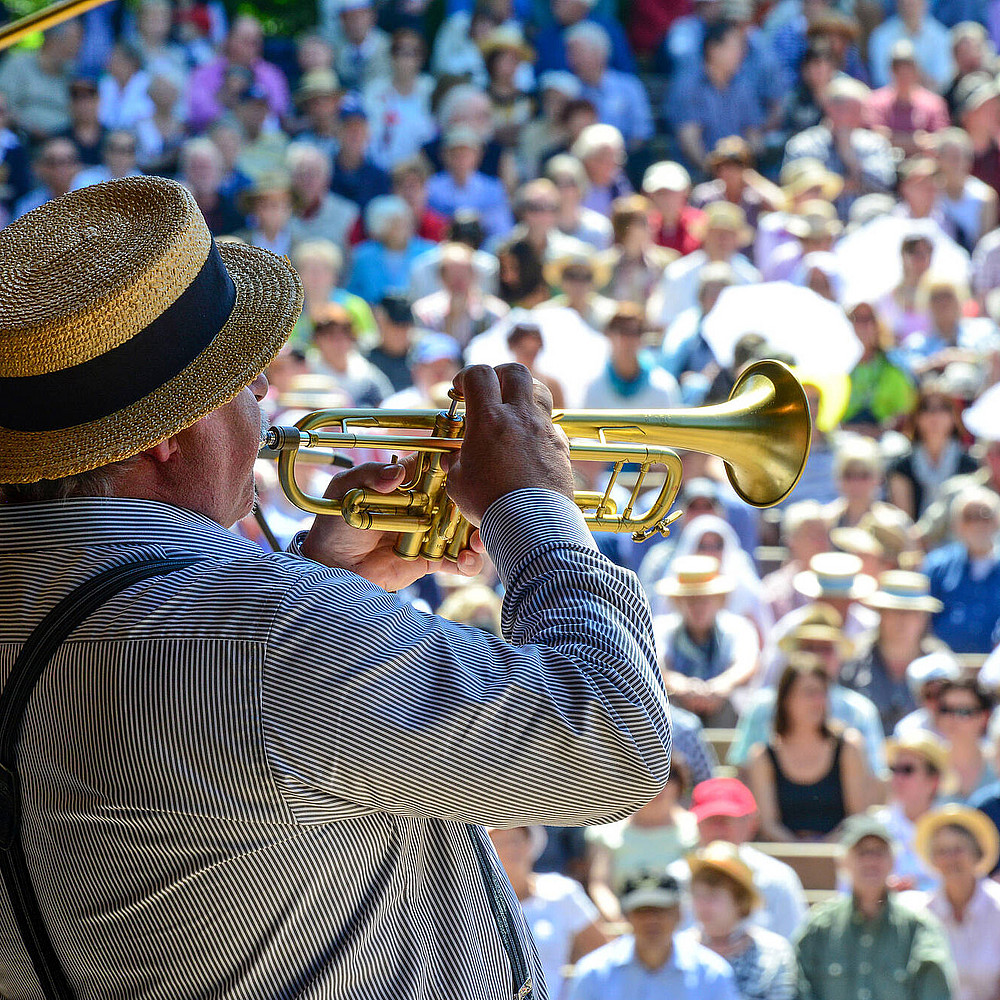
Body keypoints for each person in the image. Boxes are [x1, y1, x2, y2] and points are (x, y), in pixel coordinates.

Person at [0, 176, 672, 999]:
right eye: (244, 380)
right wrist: (531, 502)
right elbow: (618, 742)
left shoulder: (254, 624)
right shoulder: (268, 634)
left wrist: (324, 587)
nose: (264, 398)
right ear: (171, 435)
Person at [794, 814, 956, 1000]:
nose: (871, 861)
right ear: (843, 861)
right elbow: (799, 989)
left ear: (893, 861)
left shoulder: (918, 929)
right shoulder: (819, 928)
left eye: (879, 852)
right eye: (862, 852)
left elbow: (935, 992)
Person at [667, 777, 809, 940]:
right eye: (710, 819)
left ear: (751, 823)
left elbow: (794, 945)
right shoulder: (675, 878)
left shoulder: (778, 879)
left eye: (726, 820)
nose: (718, 828)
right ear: (697, 824)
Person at [747, 655, 871, 841]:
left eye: (822, 693)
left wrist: (822, 851)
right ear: (786, 699)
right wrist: (801, 854)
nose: (818, 701)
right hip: (784, 861)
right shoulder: (763, 756)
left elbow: (856, 818)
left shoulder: (848, 747)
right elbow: (768, 824)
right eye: (809, 693)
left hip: (839, 858)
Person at [568, 872, 739, 1000]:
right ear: (627, 916)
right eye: (642, 911)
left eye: (660, 910)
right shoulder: (592, 973)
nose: (651, 920)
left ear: (678, 914)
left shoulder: (712, 973)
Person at [488, 826, 609, 1000]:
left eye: (516, 840)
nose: (511, 849)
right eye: (500, 842)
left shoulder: (561, 891)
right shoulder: (470, 899)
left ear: (530, 844)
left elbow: (604, 953)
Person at [679, 842, 797, 1000]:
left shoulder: (774, 952)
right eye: (698, 895)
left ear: (740, 901)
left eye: (713, 896)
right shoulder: (679, 950)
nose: (702, 905)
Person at [585, 760, 699, 921]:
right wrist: (622, 924)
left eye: (666, 777)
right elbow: (600, 885)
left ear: (679, 784)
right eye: (643, 778)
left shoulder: (696, 829)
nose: (657, 786)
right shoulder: (606, 831)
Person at [655, 555, 760, 725]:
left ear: (720, 600)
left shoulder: (739, 627)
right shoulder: (661, 628)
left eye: (704, 599)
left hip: (727, 713)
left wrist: (722, 685)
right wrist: (679, 685)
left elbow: (748, 663)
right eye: (690, 599)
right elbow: (655, 664)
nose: (698, 607)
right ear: (677, 601)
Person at [839, 571, 947, 734]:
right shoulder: (853, 659)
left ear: (923, 618)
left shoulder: (942, 665)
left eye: (910, 612)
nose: (902, 621)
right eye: (894, 611)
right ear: (880, 615)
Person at [913, 804, 1000, 1000]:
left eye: (958, 849)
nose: (951, 859)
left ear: (976, 853)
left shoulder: (997, 908)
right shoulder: (922, 914)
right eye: (942, 851)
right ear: (933, 859)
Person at [924, 486, 1000, 653]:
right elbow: (921, 620)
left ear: (997, 521)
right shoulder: (936, 566)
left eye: (985, 516)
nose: (977, 524)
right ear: (957, 525)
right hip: (944, 668)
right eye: (969, 517)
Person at [874, 732, 951, 891]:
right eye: (894, 769)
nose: (897, 777)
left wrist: (919, 888)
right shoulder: (875, 826)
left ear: (933, 781)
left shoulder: (952, 828)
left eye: (907, 770)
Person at [934, 678, 998, 801]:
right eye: (946, 710)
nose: (952, 718)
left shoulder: (997, 763)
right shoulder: (928, 764)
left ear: (984, 717)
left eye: (963, 711)